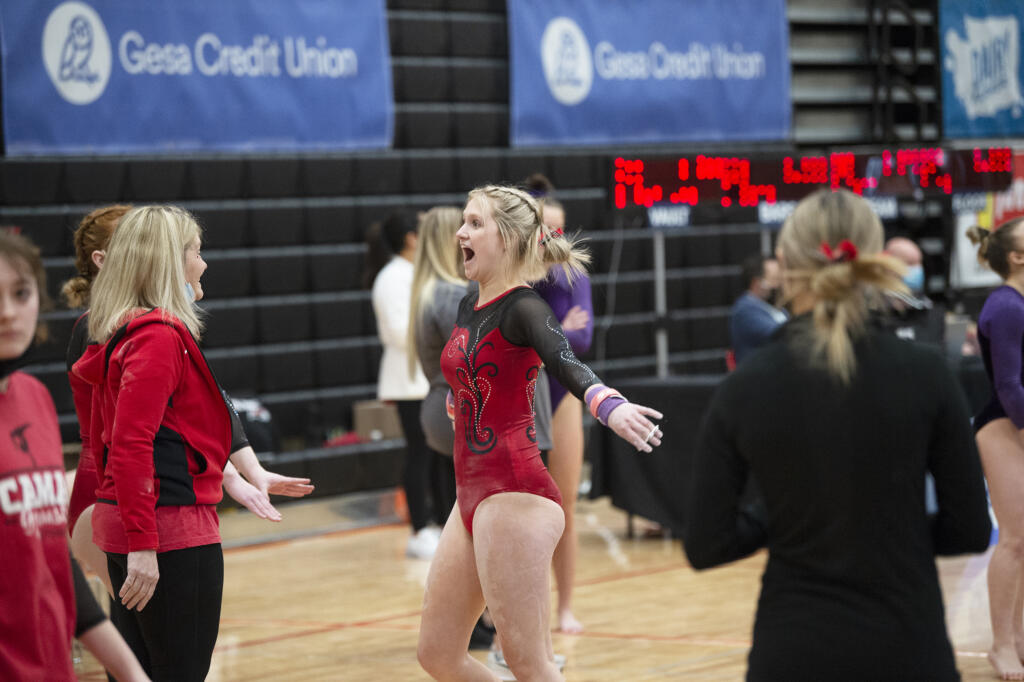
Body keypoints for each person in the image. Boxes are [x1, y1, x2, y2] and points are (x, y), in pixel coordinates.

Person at [683, 189, 992, 681]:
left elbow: (706, 544)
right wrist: (893, 529)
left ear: (782, 263)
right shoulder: (927, 373)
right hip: (907, 644)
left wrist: (783, 519)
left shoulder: (745, 386)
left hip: (793, 649)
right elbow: (971, 529)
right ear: (875, 260)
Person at [416, 185, 663, 682]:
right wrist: (459, 397)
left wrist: (608, 405)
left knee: (531, 665)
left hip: (514, 492)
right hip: (470, 494)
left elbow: (567, 363)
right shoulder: (470, 305)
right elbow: (476, 372)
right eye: (463, 222)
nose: (461, 233)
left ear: (506, 239)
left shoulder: (525, 308)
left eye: (475, 223)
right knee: (438, 655)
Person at [70, 205, 309, 681]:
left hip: (131, 519)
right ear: (168, 263)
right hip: (167, 528)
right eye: (196, 252)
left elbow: (155, 434)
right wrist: (143, 544)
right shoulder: (158, 336)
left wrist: (239, 479)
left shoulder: (120, 331)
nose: (203, 263)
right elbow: (131, 442)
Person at [0, 228, 149, 682]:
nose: (8, 313)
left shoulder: (34, 398)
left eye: (20, 293)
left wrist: (130, 672)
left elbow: (53, 563)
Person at [527, 173, 593, 634]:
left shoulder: (572, 269)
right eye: (547, 230)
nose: (556, 238)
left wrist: (546, 333)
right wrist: (555, 328)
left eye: (561, 229)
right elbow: (513, 336)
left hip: (561, 392)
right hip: (520, 392)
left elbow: (583, 337)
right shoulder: (512, 272)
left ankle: (565, 605)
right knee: (518, 505)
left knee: (564, 503)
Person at [966, 216, 1024, 680]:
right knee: (1015, 540)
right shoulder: (1005, 306)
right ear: (1017, 257)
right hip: (1007, 425)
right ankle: (1001, 645)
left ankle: (1020, 635)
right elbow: (1009, 385)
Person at [369, 210, 438, 559]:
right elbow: (397, 332)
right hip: (407, 379)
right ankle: (419, 529)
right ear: (411, 238)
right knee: (419, 453)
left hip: (424, 378)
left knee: (436, 454)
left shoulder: (415, 273)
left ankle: (437, 522)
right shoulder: (392, 277)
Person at [881, 236, 944, 347]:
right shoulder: (876, 314)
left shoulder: (932, 312)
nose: (918, 269)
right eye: (909, 263)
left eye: (919, 263)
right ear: (888, 266)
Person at [729, 254, 787, 365]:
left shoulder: (774, 307)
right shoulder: (745, 310)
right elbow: (780, 334)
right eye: (775, 279)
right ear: (756, 283)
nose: (780, 284)